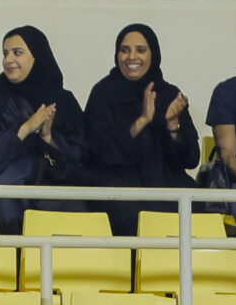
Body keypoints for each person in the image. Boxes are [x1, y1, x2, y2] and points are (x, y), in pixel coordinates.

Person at [0, 28, 89, 236]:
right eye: (5, 53)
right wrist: (25, 129)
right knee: (4, 203)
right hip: (4, 188)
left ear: (37, 56)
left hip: (54, 184)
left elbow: (82, 153)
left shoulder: (63, 100)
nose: (8, 60)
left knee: (76, 209)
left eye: (17, 53)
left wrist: (48, 138)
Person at [82, 25, 200, 238]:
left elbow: (190, 159)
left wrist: (173, 125)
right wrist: (142, 120)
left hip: (164, 182)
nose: (131, 57)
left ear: (153, 54)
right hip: (117, 185)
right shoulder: (103, 93)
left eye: (141, 50)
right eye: (124, 50)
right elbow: (94, 152)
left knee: (199, 210)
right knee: (128, 214)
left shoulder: (169, 94)